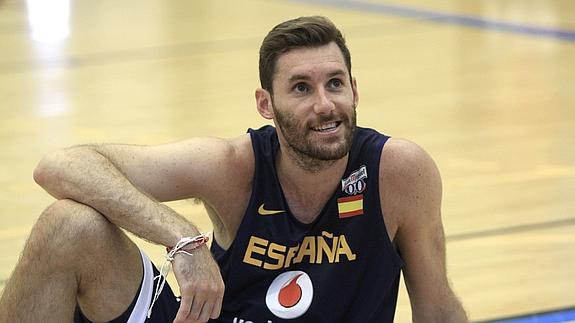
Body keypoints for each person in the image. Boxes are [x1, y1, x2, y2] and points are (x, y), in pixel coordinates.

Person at [0, 16, 467, 322]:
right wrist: (181, 239)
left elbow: (438, 309)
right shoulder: (232, 166)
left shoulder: (400, 171)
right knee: (66, 225)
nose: (325, 105)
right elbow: (60, 166)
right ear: (266, 104)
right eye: (301, 88)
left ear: (355, 91)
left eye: (335, 84)